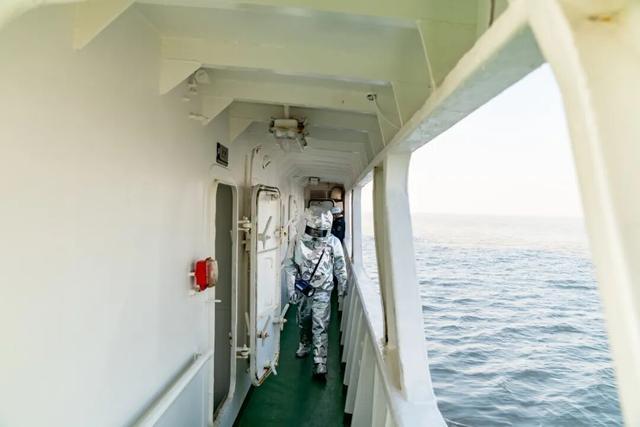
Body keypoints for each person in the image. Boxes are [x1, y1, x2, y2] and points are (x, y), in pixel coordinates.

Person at [283, 207, 348, 379]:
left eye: (321, 231)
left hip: (323, 290)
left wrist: (343, 284)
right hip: (303, 290)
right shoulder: (297, 241)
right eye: (314, 230)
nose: (317, 235)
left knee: (320, 324)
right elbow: (290, 265)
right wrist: (291, 288)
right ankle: (304, 344)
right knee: (304, 320)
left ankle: (320, 362)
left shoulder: (333, 242)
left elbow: (340, 264)